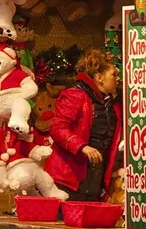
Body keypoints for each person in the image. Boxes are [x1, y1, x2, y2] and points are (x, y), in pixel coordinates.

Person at [44, 49, 123, 201]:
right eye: (113, 74)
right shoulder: (75, 95)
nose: (117, 79)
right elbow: (57, 127)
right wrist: (81, 146)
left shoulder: (112, 103)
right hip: (69, 178)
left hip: (95, 177)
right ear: (99, 78)